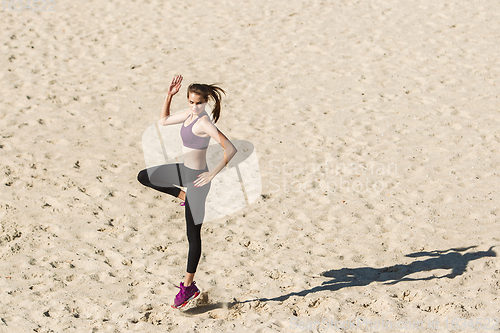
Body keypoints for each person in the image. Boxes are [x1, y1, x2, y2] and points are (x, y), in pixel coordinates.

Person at [137, 75, 237, 309]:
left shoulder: (203, 123)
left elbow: (230, 148)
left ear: (206, 102)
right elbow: (163, 121)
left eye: (198, 103)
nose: (194, 106)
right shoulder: (189, 115)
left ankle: (189, 285)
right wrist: (169, 95)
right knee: (145, 176)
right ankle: (182, 196)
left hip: (198, 182)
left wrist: (212, 174)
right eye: (191, 102)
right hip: (184, 172)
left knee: (192, 235)